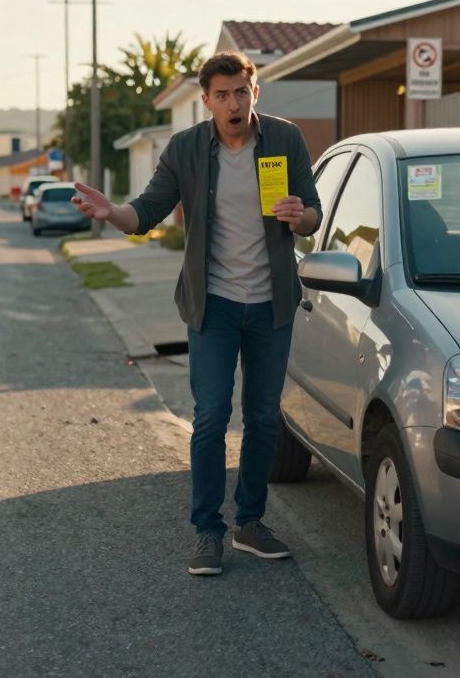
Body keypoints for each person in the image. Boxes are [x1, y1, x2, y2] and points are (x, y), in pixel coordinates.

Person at [70, 51, 322, 576]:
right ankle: (207, 531)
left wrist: (301, 217)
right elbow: (145, 213)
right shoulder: (186, 149)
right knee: (210, 417)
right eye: (223, 95)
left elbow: (313, 215)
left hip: (272, 302)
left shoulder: (284, 140)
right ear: (205, 102)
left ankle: (250, 522)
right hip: (214, 305)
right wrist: (109, 211)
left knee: (262, 419)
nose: (234, 103)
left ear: (256, 93)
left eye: (242, 92)